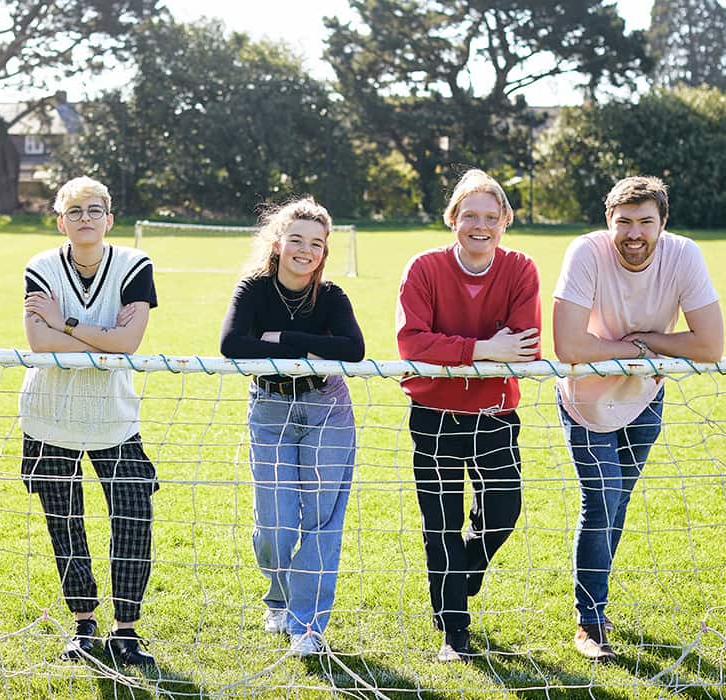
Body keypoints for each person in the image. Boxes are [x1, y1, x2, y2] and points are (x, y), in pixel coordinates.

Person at [553, 176, 723, 660]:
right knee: (601, 499)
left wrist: (645, 341)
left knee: (618, 504)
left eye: (646, 221)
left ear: (662, 224)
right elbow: (568, 345)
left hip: (645, 399)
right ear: (609, 221)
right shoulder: (586, 253)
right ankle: (589, 623)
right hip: (585, 401)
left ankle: (597, 605)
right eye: (623, 221)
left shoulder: (683, 254)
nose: (634, 233)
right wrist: (644, 348)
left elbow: (709, 345)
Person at [395, 169, 541, 662]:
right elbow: (412, 343)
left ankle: (461, 576)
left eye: (490, 216)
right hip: (434, 411)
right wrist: (484, 347)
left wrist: (463, 353)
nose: (480, 225)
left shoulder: (520, 269)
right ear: (452, 219)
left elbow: (523, 347)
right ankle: (453, 630)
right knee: (440, 523)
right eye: (469, 215)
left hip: (495, 412)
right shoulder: (424, 268)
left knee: (503, 513)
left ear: (506, 221)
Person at [19, 176, 159, 667]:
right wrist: (98, 338)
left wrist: (67, 323)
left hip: (113, 417)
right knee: (65, 524)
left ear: (109, 218)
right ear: (61, 220)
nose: (85, 218)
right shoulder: (40, 267)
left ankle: (126, 630)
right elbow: (40, 343)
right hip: (48, 416)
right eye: (74, 211)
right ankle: (83, 623)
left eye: (94, 210)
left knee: (133, 516)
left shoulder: (134, 265)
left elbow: (129, 345)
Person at [220, 197, 364, 657]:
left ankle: (308, 624)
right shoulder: (254, 290)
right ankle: (278, 596)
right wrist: (315, 348)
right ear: (278, 242)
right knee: (276, 527)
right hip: (271, 411)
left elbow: (353, 350)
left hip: (327, 410)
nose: (305, 250)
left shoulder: (333, 296)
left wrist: (281, 340)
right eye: (296, 239)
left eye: (316, 243)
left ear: (324, 251)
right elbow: (231, 345)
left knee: (322, 522)